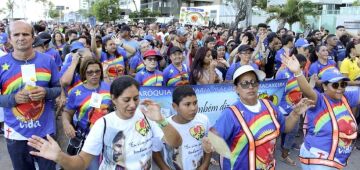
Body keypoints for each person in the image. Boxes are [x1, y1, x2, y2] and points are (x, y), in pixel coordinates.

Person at [27, 76, 182, 169]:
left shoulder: (147, 114)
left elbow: (175, 142)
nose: (133, 105)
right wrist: (59, 156)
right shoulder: (104, 124)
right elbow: (81, 163)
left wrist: (161, 120)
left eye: (136, 98)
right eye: (126, 100)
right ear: (113, 99)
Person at [202, 65, 314, 170]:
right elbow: (213, 140)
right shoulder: (230, 114)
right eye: (245, 84)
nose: (250, 87)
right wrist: (210, 143)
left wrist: (295, 114)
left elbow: (285, 127)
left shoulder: (269, 105)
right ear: (236, 88)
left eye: (253, 82)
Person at [0, 20, 61, 170]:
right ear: (9, 38)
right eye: (16, 34)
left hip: (44, 131)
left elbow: (58, 89)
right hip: (16, 134)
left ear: (33, 38)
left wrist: (46, 92)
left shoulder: (47, 61)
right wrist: (13, 99)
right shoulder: (1, 64)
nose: (21, 38)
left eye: (25, 34)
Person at [282, 55, 360, 170]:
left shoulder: (346, 97)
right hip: (319, 161)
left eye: (343, 84)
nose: (340, 88)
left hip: (335, 159)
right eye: (335, 85)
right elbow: (308, 91)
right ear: (324, 86)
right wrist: (298, 72)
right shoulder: (319, 100)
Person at [62, 58, 111, 169]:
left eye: (97, 71)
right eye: (90, 72)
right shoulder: (76, 92)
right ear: (83, 73)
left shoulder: (109, 87)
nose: (94, 75)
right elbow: (67, 112)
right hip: (88, 139)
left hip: (108, 137)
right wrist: (66, 124)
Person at [153, 85, 211, 170]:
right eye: (187, 104)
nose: (193, 108)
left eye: (195, 103)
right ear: (175, 106)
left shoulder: (203, 120)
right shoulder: (165, 126)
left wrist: (205, 164)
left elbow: (209, 143)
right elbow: (155, 151)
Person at [275, 54, 308, 166]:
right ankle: (269, 153)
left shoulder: (300, 73)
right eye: (301, 65)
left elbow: (302, 90)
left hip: (296, 108)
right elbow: (277, 92)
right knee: (277, 133)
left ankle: (285, 155)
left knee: (292, 132)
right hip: (282, 109)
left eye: (303, 67)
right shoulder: (283, 74)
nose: (302, 68)